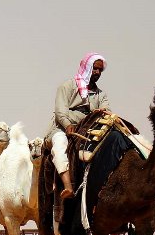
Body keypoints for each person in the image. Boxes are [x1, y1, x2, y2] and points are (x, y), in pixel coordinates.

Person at [44, 52, 110, 199]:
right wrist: (68, 125)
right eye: (95, 68)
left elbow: (106, 111)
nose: (98, 72)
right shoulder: (67, 87)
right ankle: (67, 186)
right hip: (61, 128)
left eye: (100, 70)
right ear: (86, 67)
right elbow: (60, 112)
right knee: (60, 145)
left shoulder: (101, 95)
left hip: (88, 130)